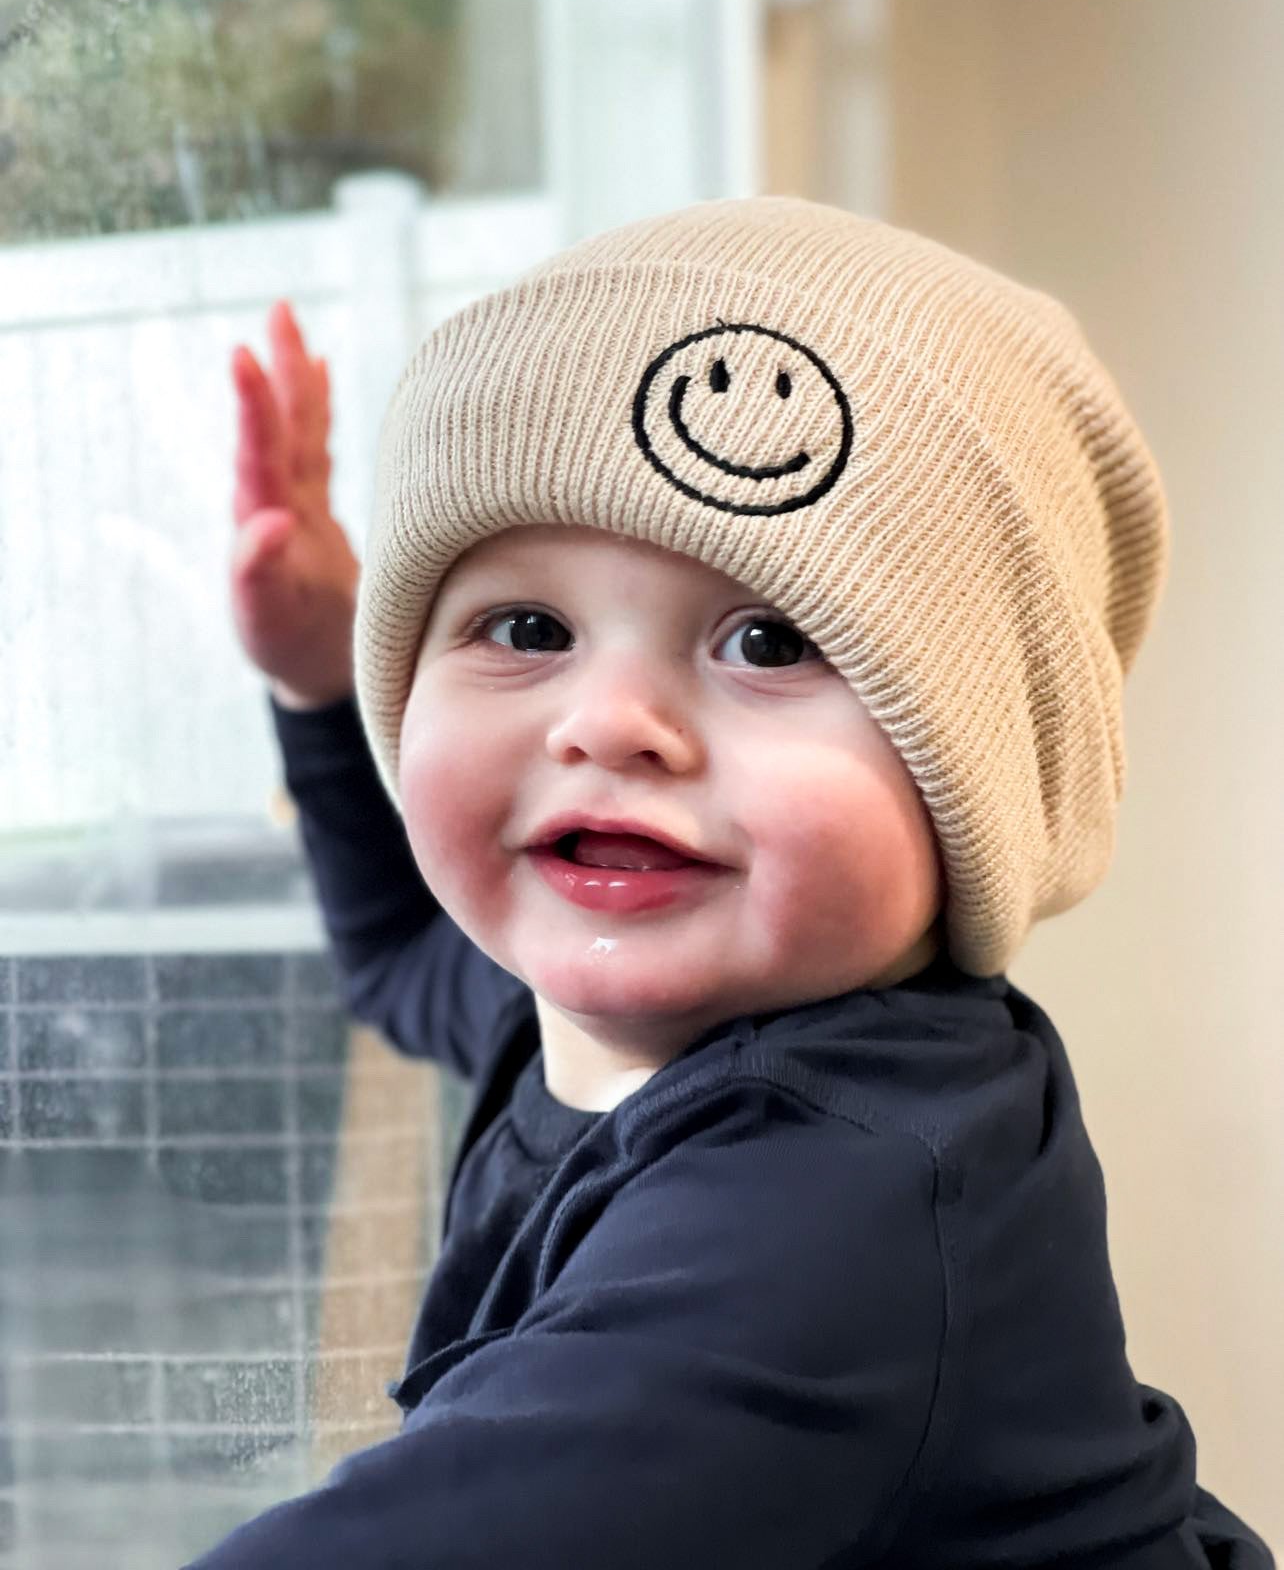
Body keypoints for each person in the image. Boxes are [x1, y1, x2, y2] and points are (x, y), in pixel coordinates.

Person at [198, 197, 1274, 1567]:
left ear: (978, 773)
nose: (612, 721)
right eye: (526, 628)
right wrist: (314, 679)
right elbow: (409, 964)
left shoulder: (840, 1215)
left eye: (768, 642)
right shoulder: (629, 1023)